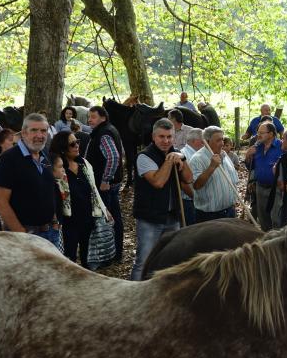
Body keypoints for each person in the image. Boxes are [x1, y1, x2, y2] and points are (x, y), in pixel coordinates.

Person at [131, 118, 192, 280]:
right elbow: (158, 182)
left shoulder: (177, 153)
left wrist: (182, 158)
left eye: (169, 137)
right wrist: (170, 160)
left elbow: (188, 178)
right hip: (150, 219)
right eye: (162, 137)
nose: (166, 141)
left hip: (173, 217)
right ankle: (135, 297)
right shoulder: (144, 157)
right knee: (144, 261)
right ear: (153, 137)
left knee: (171, 260)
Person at [0, 113, 61, 250]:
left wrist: (54, 222)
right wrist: (23, 235)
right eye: (34, 130)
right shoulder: (9, 159)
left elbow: (50, 191)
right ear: (23, 133)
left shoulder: (45, 155)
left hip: (49, 233)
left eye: (43, 131)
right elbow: (0, 202)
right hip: (23, 235)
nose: (39, 135)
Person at [50, 131, 110, 269]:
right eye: (72, 144)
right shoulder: (57, 168)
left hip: (87, 217)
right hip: (68, 221)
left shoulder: (84, 163)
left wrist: (104, 208)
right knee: (68, 257)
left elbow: (94, 188)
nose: (77, 145)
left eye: (77, 142)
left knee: (87, 256)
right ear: (63, 148)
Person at [86, 105, 125, 262]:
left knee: (109, 218)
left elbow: (114, 157)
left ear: (103, 117)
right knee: (113, 216)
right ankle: (114, 253)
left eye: (93, 117)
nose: (89, 120)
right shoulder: (109, 129)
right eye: (88, 117)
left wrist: (105, 180)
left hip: (107, 186)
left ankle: (112, 255)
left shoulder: (104, 133)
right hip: (110, 183)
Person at [189, 126, 239, 223]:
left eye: (222, 140)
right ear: (207, 142)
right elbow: (196, 185)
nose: (222, 144)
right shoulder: (197, 159)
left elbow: (233, 180)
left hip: (230, 211)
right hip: (210, 216)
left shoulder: (224, 155)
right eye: (218, 140)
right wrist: (211, 167)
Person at [245, 122, 283, 230]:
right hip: (260, 187)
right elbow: (250, 167)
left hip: (275, 189)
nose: (258, 135)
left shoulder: (281, 146)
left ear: (271, 134)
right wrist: (248, 156)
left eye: (262, 133)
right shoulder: (257, 147)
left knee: (276, 219)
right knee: (263, 219)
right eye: (258, 133)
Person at [179, 128, 204, 225]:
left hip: (198, 200)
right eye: (203, 141)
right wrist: (196, 198)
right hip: (189, 201)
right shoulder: (183, 154)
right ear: (195, 141)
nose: (205, 144)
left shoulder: (197, 153)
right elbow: (183, 183)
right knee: (191, 230)